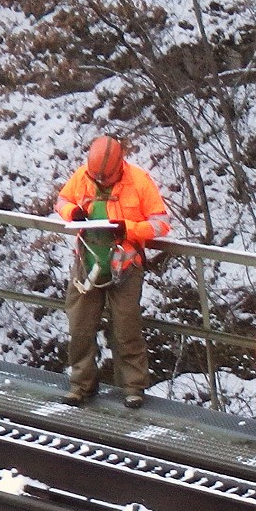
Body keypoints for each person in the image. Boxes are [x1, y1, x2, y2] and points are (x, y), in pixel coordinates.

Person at [54, 135, 171, 409]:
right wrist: (73, 213)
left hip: (125, 266)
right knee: (80, 326)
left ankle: (133, 387)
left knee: (126, 328)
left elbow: (161, 223)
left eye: (105, 178)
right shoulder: (83, 176)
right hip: (88, 261)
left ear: (120, 166)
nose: (101, 182)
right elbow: (61, 201)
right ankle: (81, 385)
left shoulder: (139, 181)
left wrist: (129, 228)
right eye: (97, 177)